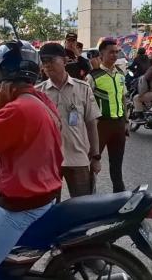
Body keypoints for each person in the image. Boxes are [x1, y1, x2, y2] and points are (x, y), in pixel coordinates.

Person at [0, 40, 63, 280]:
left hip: (19, 206)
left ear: (0, 75)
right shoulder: (41, 101)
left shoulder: (16, 109)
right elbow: (30, 152)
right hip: (43, 196)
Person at [36, 43, 101, 198]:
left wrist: (96, 157)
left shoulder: (82, 88)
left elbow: (92, 124)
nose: (47, 64)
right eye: (44, 61)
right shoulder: (38, 92)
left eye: (51, 60)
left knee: (83, 208)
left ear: (65, 61)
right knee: (49, 209)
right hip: (48, 162)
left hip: (77, 159)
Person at [87, 39, 129, 193]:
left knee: (117, 164)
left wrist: (126, 121)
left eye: (116, 52)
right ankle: (88, 197)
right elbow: (86, 103)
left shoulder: (120, 74)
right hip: (100, 126)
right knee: (92, 164)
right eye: (111, 52)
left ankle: (119, 196)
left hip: (118, 125)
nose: (114, 55)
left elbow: (123, 99)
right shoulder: (93, 76)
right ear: (102, 54)